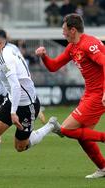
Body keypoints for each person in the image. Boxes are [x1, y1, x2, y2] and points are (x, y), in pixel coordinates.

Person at [0, 28, 62, 178]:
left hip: (27, 105)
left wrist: (13, 112)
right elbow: (3, 84)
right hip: (13, 100)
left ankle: (50, 126)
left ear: (0, 43)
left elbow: (15, 86)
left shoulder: (6, 57)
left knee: (21, 146)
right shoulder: (0, 56)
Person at [35, 13, 105, 178]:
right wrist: (44, 56)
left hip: (99, 94)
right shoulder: (72, 47)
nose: (62, 33)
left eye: (64, 30)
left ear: (73, 30)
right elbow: (53, 66)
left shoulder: (89, 44)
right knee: (83, 135)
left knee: (66, 129)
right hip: (90, 93)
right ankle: (103, 167)